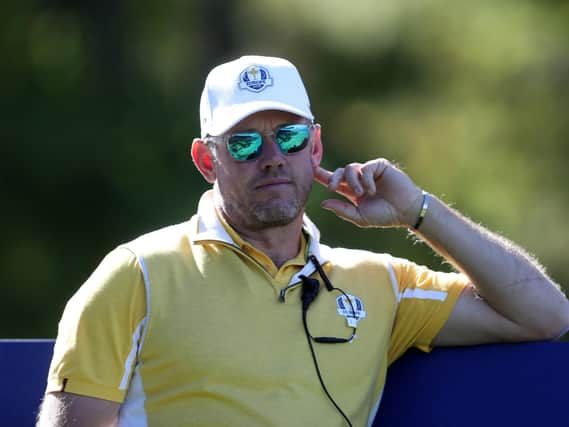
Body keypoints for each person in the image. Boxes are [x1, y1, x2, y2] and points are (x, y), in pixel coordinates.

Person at [37, 55, 569, 427]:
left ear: (314, 147)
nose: (271, 156)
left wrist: (418, 212)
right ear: (206, 161)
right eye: (244, 143)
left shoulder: (379, 283)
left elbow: (544, 314)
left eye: (288, 136)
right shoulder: (135, 274)